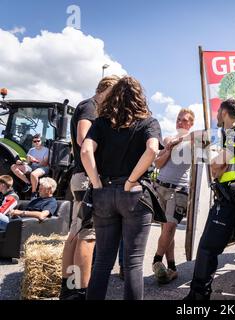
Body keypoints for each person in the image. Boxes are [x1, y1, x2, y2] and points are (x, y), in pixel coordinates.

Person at [81, 76, 162, 300]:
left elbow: (86, 151)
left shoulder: (102, 122)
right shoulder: (149, 122)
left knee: (102, 262)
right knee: (134, 263)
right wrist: (131, 181)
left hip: (104, 193)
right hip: (135, 196)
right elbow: (153, 151)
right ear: (139, 97)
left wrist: (97, 183)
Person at [184, 98, 235, 300]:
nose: (216, 116)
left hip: (230, 199)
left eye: (218, 113)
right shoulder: (234, 135)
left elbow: (218, 163)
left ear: (224, 113)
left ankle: (198, 296)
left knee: (207, 248)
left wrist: (215, 168)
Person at [60, 75, 120, 300]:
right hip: (88, 178)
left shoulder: (86, 106)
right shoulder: (90, 107)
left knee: (75, 234)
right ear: (107, 90)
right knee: (89, 236)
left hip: (80, 177)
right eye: (115, 96)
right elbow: (82, 138)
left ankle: (68, 290)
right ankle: (81, 292)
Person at [152, 109, 195, 284]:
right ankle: (172, 268)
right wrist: (168, 149)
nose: (179, 122)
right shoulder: (168, 139)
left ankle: (156, 260)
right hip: (161, 187)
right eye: (178, 119)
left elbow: (203, 138)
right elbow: (158, 163)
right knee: (166, 231)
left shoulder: (194, 142)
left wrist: (181, 140)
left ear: (191, 123)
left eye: (184, 120)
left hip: (178, 191)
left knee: (169, 228)